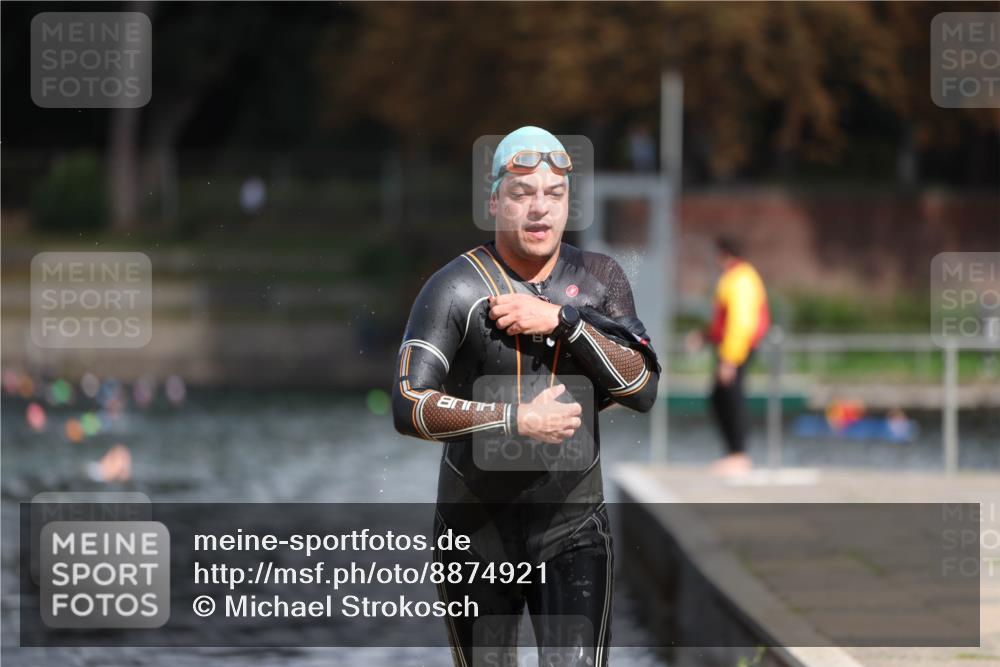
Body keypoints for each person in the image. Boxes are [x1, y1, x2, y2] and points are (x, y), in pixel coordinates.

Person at [391, 126, 660, 667]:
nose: (540, 209)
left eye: (554, 194)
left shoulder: (598, 278)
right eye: (522, 194)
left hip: (573, 529)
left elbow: (642, 388)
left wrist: (566, 322)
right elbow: (407, 403)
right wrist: (516, 419)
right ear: (494, 201)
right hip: (474, 532)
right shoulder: (456, 288)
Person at [687, 237, 769, 476]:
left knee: (731, 398)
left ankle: (739, 455)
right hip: (732, 348)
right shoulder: (735, 277)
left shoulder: (740, 278)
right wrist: (704, 336)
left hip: (737, 349)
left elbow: (740, 322)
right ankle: (734, 453)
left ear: (724, 254)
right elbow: (722, 322)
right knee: (721, 397)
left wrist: (729, 360)